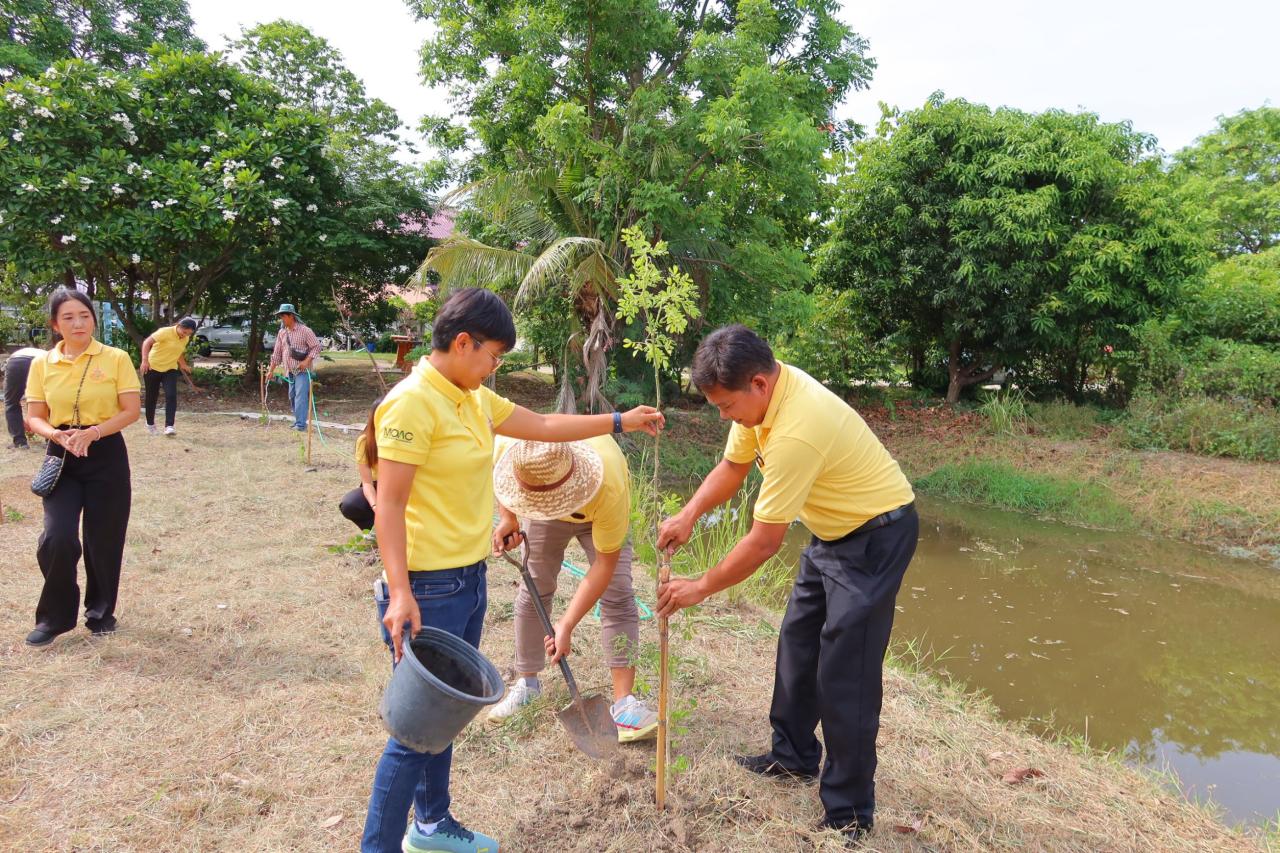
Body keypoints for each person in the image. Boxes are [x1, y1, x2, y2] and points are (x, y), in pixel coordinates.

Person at [363, 287, 664, 853]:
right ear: (462, 342)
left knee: (447, 716)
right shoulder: (411, 404)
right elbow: (390, 506)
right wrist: (400, 592)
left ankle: (432, 825)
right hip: (427, 587)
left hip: (466, 579)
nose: (496, 366)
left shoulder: (473, 397)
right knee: (415, 732)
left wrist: (620, 420)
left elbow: (546, 425)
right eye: (494, 356)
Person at [656, 325, 917, 845]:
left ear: (758, 383)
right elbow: (732, 467)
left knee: (847, 673)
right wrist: (689, 513)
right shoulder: (760, 400)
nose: (723, 416)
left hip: (876, 536)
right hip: (832, 531)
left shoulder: (798, 426)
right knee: (798, 643)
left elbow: (762, 543)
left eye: (726, 406)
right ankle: (793, 755)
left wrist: (699, 587)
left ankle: (849, 813)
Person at [485, 437, 658, 743]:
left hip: (597, 510)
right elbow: (500, 480)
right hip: (541, 511)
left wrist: (566, 625)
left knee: (618, 594)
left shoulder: (609, 481)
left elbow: (604, 566)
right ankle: (528, 686)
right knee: (535, 586)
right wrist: (510, 518)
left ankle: (623, 704)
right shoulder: (519, 452)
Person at [22, 289, 141, 647]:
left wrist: (93, 433)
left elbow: (131, 409)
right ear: (55, 324)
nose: (78, 323)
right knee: (57, 537)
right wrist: (58, 438)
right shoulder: (42, 364)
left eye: (84, 316)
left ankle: (100, 612)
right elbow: (34, 417)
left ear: (94, 319)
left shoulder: (115, 358)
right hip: (61, 456)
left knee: (104, 538)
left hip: (105, 452)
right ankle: (54, 618)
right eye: (69, 317)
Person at [139, 317, 198, 436]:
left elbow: (179, 351)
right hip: (152, 367)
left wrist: (183, 364)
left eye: (189, 334)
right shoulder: (164, 332)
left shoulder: (185, 338)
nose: (185, 335)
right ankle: (150, 424)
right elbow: (147, 342)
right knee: (152, 396)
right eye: (184, 332)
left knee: (171, 395)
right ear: (179, 326)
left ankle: (169, 426)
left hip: (170, 369)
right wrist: (145, 360)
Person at [266, 303, 321, 431]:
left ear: (291, 316)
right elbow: (277, 353)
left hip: (302, 371)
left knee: (300, 396)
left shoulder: (305, 330)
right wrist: (270, 371)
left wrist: (307, 361)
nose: (282, 319)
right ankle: (298, 421)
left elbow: (317, 346)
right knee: (292, 396)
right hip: (289, 371)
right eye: (281, 317)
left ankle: (301, 425)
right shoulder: (282, 332)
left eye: (283, 316)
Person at [340, 396, 383, 531]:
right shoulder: (365, 441)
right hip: (378, 485)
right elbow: (367, 483)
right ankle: (375, 531)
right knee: (350, 504)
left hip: (404, 487)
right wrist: (376, 507)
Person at [4, 343, 45, 448]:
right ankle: (51, 440)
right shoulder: (46, 354)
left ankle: (20, 442)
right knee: (48, 401)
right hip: (42, 361)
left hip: (16, 362)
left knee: (11, 403)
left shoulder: (13, 357)